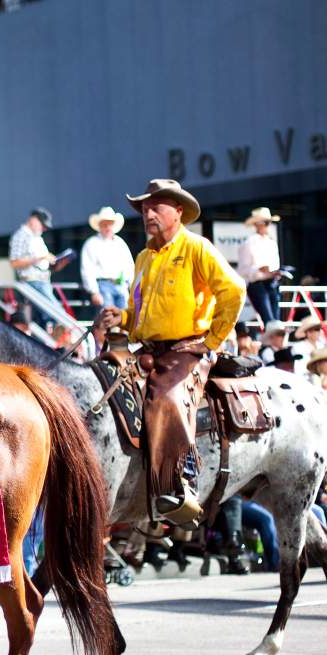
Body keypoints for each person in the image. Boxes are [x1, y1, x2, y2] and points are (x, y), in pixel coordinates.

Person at [98, 179, 244, 524]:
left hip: (185, 349)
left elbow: (234, 291)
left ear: (178, 212)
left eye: (156, 206)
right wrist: (122, 317)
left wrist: (211, 341)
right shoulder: (143, 258)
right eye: (145, 208)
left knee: (165, 397)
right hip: (147, 348)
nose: (149, 213)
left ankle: (183, 480)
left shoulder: (197, 247)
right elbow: (139, 313)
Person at [80, 206, 135, 313]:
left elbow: (129, 267)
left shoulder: (120, 243)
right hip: (103, 286)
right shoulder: (92, 243)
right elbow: (87, 270)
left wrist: (132, 287)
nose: (108, 227)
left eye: (110, 224)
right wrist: (94, 291)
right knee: (107, 319)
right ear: (99, 226)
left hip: (122, 285)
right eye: (105, 224)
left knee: (125, 320)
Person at [9, 208, 58, 324]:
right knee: (54, 314)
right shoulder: (21, 235)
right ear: (33, 220)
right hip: (33, 282)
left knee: (42, 320)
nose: (44, 229)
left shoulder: (36, 237)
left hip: (41, 281)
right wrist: (41, 258)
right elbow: (14, 262)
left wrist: (54, 263)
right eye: (43, 225)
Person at [236, 207, 283, 326]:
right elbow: (242, 270)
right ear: (256, 224)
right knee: (269, 320)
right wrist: (259, 269)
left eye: (268, 222)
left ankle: (274, 343)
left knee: (276, 320)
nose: (267, 225)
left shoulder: (271, 243)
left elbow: (275, 264)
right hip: (257, 286)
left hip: (272, 283)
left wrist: (275, 272)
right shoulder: (248, 244)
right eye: (265, 222)